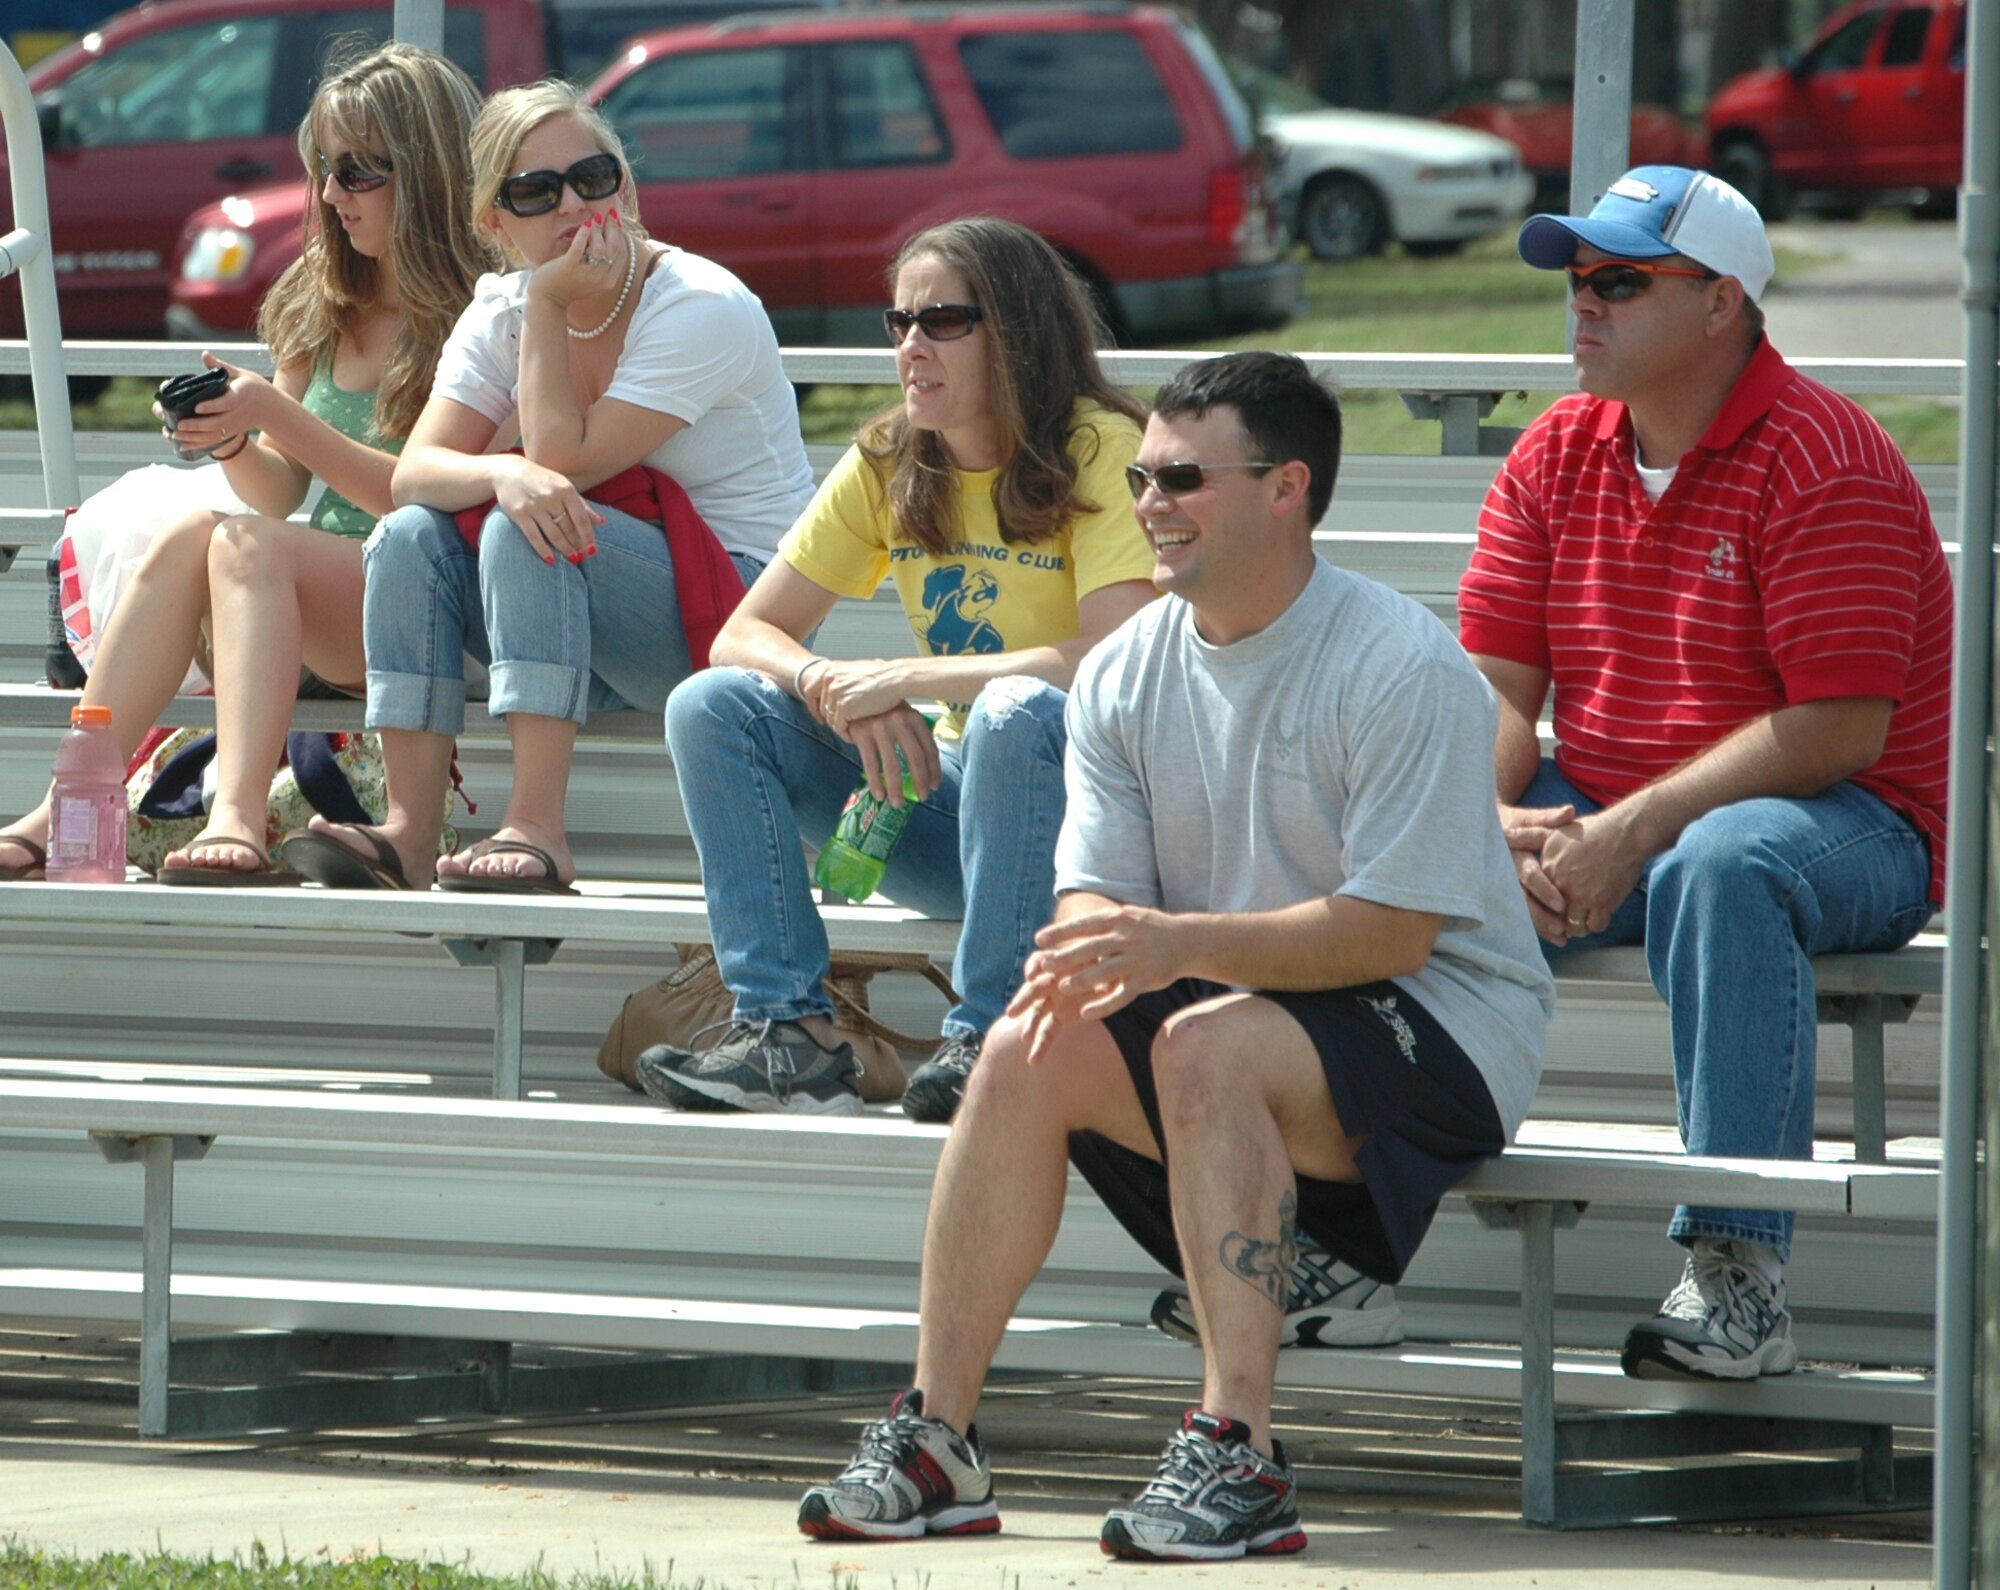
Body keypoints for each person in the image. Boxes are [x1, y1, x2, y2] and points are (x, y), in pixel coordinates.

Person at [796, 351, 1553, 1559]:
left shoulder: (1399, 664)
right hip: (1243, 1009)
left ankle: (1236, 1455)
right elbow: (1103, 899)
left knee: (1202, 1044)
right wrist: (1095, 951)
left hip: (1440, 1023)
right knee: (1022, 1042)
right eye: (1141, 474)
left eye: (1182, 477)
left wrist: (1164, 948)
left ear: (1285, 489)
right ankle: (938, 1438)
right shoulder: (1126, 670)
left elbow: (1393, 934)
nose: (1146, 500)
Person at [1458, 166, 1951, 1382]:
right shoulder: (1553, 448)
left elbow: (1837, 732)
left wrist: (1622, 830)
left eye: (1618, 281)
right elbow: (1494, 692)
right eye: (1575, 280)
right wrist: (1485, 824)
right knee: (1406, 858)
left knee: (1717, 864)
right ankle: (1348, 1243)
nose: (1580, 305)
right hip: (1624, 805)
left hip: (1853, 821)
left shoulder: (1824, 455)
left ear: (1722, 301)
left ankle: (1737, 1278)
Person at [639, 217, 1157, 1122]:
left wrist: (907, 680)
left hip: (1090, 826)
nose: (911, 345)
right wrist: (833, 690)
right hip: (953, 809)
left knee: (1012, 710)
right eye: (899, 322)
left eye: (943, 321)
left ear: (1020, 332)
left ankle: (995, 1036)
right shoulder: (891, 455)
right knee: (714, 704)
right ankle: (784, 1032)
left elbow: (1109, 658)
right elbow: (745, 634)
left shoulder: (1103, 447)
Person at [282, 81, 814, 893]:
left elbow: (564, 461)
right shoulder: (500, 308)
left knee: (525, 519)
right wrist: (501, 465)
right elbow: (415, 476)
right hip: (576, 611)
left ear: (626, 189)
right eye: (535, 192)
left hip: (738, 609)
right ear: (493, 222)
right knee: (411, 534)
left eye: (593, 178)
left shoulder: (701, 305)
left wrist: (550, 304)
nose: (573, 205)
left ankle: (537, 830)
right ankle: (410, 831)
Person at [0, 42, 495, 884]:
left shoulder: (485, 310)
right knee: (203, 532)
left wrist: (273, 412)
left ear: (429, 171)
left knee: (241, 544)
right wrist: (233, 436)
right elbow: (279, 489)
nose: (333, 193)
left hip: (433, 603)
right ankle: (64, 806)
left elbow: (408, 492)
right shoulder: (326, 286)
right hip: (329, 598)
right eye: (325, 169)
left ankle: (235, 818)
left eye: (359, 171)